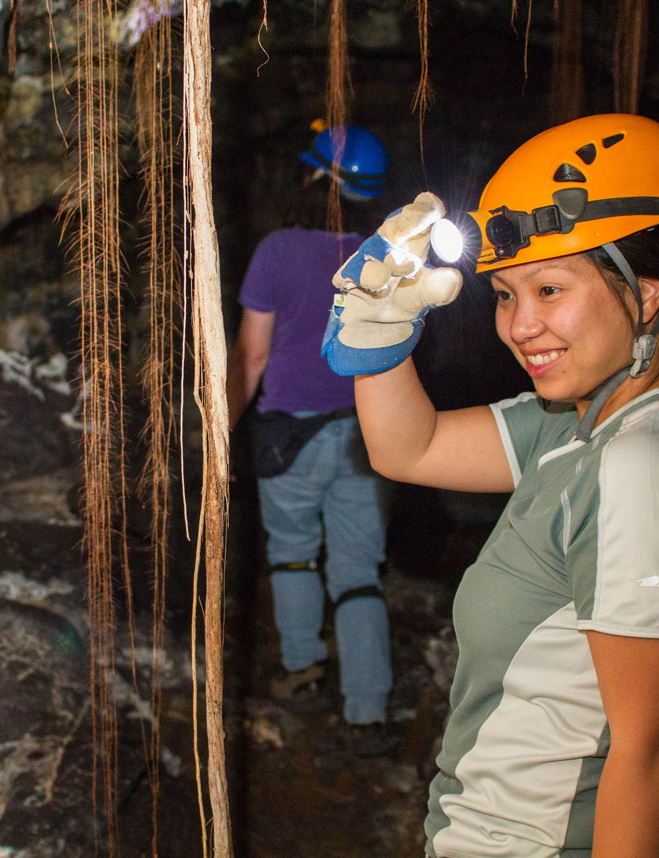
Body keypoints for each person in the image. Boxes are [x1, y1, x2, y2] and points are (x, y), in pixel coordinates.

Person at [322, 114, 659, 856]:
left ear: (644, 295)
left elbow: (649, 756)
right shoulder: (578, 420)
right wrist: (379, 336)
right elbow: (411, 447)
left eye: (550, 289)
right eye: (507, 294)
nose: (519, 326)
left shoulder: (639, 469)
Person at [227, 121, 397, 757]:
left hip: (289, 438)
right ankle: (368, 708)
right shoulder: (387, 258)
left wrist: (219, 430)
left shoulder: (278, 250)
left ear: (313, 177)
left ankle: (303, 669)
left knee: (294, 552)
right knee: (359, 569)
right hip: (367, 437)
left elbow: (250, 356)